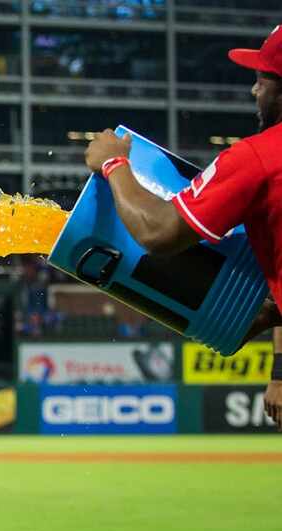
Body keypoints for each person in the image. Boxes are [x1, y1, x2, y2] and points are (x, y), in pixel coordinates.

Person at [84, 24, 282, 429]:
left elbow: (159, 232)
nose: (254, 92)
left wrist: (113, 164)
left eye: (261, 80)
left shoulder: (259, 157)